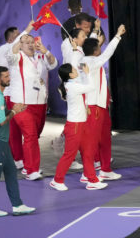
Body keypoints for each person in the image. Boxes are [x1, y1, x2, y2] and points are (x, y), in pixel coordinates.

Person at [0, 66, 36, 217]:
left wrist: (13, 109)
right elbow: (0, 121)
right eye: (5, 77)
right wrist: (14, 112)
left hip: (1, 142)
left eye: (8, 76)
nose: (9, 79)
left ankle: (17, 205)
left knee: (11, 173)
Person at [6, 21, 57, 179]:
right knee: (30, 136)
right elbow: (12, 49)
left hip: (40, 103)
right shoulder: (15, 58)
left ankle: (28, 164)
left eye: (31, 41)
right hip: (21, 103)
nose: (29, 43)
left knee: (35, 135)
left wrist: (46, 51)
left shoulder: (40, 56)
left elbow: (54, 64)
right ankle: (31, 169)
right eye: (25, 42)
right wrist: (26, 30)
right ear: (19, 45)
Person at [79, 25, 126, 182]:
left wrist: (95, 31)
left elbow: (94, 47)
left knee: (105, 138)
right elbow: (108, 53)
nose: (100, 47)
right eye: (98, 46)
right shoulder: (88, 62)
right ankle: (87, 174)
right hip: (93, 107)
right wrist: (118, 35)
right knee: (91, 142)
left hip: (102, 105)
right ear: (95, 50)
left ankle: (105, 169)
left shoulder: (90, 59)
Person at [50, 63, 106, 191]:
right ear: (70, 74)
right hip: (75, 126)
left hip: (81, 123)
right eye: (74, 70)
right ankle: (57, 180)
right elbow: (92, 87)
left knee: (87, 152)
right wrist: (87, 73)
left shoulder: (70, 85)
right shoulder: (72, 86)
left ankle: (92, 180)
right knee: (69, 154)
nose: (77, 70)